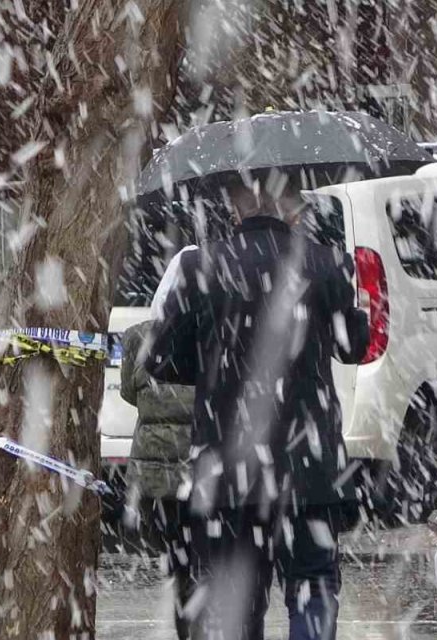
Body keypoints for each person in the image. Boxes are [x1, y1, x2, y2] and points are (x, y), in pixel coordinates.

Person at [146, 172, 370, 640]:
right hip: (309, 468)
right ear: (291, 208)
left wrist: (212, 364)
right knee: (312, 586)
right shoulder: (327, 264)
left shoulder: (202, 268)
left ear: (234, 207)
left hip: (230, 471)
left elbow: (161, 361)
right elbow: (357, 347)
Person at [119, 317, 196, 639]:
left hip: (157, 474)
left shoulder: (138, 336)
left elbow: (128, 393)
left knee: (181, 567)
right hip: (203, 469)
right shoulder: (217, 327)